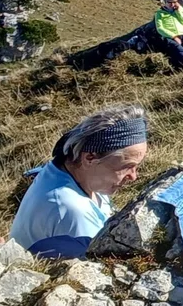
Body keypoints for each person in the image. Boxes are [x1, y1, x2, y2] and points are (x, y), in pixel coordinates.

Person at [9, 105, 149, 255]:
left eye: (137, 166)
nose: (134, 177)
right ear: (90, 158)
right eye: (127, 166)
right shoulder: (71, 210)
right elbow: (98, 264)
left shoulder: (70, 172)